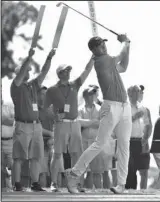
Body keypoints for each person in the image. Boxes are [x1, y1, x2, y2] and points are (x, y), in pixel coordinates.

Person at [65, 34, 132, 194]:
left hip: (125, 106)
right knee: (99, 143)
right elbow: (120, 54)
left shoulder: (108, 62)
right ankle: (74, 175)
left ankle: (121, 184)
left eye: (104, 44)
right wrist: (125, 42)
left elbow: (124, 66)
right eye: (101, 45)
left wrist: (128, 45)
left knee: (124, 145)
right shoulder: (101, 61)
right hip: (111, 107)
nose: (104, 47)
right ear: (94, 50)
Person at [44, 55, 95, 192]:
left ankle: (76, 184)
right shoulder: (52, 89)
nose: (68, 72)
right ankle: (54, 183)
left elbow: (86, 70)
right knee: (57, 154)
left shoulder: (75, 84)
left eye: (69, 70)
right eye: (65, 70)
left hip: (75, 123)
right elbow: (44, 108)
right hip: (61, 124)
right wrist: (54, 116)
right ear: (60, 73)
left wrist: (92, 57)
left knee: (76, 154)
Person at [10, 48, 56, 191]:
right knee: (19, 157)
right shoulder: (15, 85)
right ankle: (17, 184)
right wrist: (28, 58)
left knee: (36, 156)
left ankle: (35, 183)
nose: (29, 73)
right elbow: (23, 71)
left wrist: (49, 58)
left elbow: (43, 72)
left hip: (36, 126)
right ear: (20, 73)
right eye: (26, 70)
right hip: (22, 125)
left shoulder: (32, 85)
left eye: (29, 71)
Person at [78, 86, 114, 189]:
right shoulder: (79, 109)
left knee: (99, 171)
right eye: (89, 94)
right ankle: (87, 192)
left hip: (97, 143)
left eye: (93, 94)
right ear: (85, 96)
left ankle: (100, 192)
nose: (91, 96)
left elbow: (102, 123)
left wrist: (87, 123)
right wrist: (94, 122)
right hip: (84, 142)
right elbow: (78, 122)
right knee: (87, 170)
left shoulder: (100, 108)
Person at [125, 85, 152, 190]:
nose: (138, 93)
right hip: (128, 141)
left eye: (138, 91)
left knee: (140, 168)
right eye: (135, 91)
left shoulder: (144, 109)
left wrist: (145, 139)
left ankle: (139, 193)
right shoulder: (125, 107)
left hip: (140, 142)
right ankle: (129, 191)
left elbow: (148, 125)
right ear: (129, 93)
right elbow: (122, 124)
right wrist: (134, 117)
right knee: (130, 169)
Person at [1, 100, 14, 189]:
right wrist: (5, 119)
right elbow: (8, 120)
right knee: (1, 167)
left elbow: (12, 121)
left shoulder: (9, 105)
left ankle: (13, 187)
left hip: (10, 142)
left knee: (13, 166)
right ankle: (6, 188)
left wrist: (3, 120)